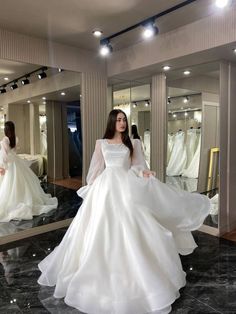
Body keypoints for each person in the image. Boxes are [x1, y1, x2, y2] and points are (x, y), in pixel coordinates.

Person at [38, 109, 210, 314]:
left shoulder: (133, 143)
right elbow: (95, 169)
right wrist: (91, 189)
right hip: (105, 189)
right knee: (98, 228)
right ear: (112, 122)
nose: (122, 123)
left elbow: (137, 166)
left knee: (134, 225)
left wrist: (145, 172)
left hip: (126, 187)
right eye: (119, 120)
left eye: (124, 120)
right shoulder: (101, 143)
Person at [0, 121, 58, 222]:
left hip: (10, 165)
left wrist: (2, 167)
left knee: (10, 185)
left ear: (6, 129)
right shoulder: (15, 138)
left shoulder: (5, 140)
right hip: (16, 163)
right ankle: (23, 199)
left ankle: (15, 201)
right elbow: (14, 152)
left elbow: (5, 156)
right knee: (22, 183)